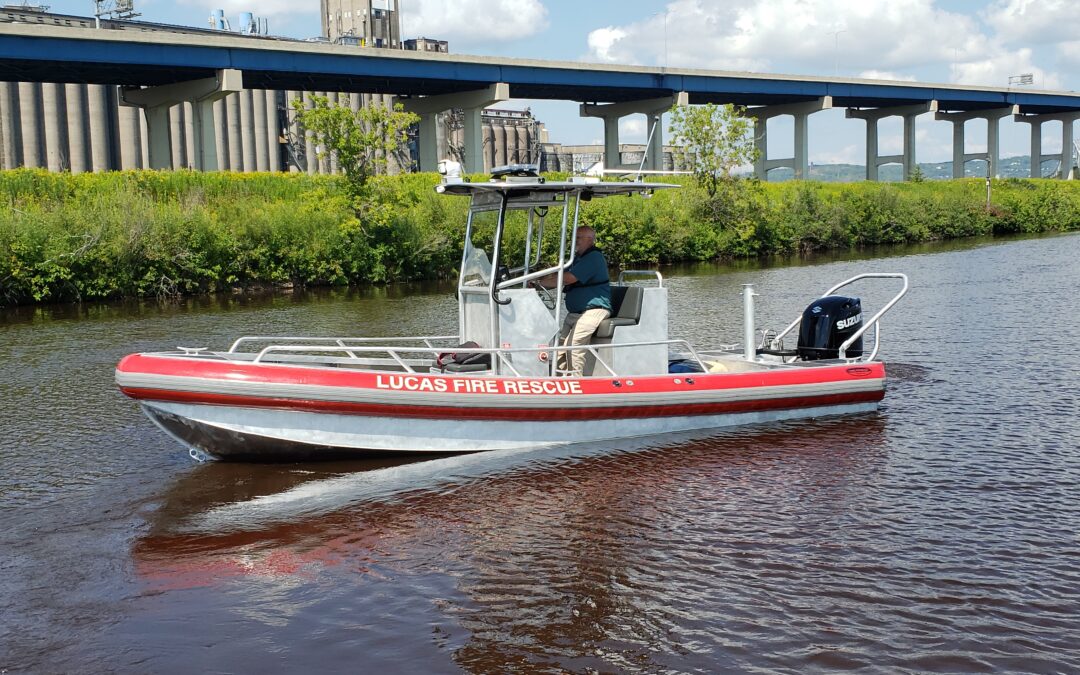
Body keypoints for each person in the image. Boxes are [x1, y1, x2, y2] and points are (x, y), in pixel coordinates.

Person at [536, 226, 611, 377]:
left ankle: (576, 381)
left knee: (574, 343)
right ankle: (561, 378)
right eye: (574, 238)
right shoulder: (577, 259)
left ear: (589, 240)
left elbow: (569, 278)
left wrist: (541, 283)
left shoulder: (594, 257)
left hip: (594, 310)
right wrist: (538, 281)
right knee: (560, 345)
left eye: (578, 238)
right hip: (576, 313)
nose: (574, 241)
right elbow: (559, 275)